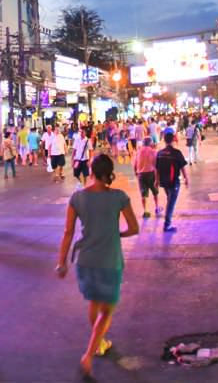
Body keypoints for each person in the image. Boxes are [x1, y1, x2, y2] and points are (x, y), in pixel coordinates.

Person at [55, 154, 138, 376]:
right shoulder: (119, 197)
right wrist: (117, 233)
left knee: (94, 304)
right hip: (109, 260)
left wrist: (61, 262)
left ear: (91, 171)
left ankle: (99, 343)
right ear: (109, 172)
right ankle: (90, 353)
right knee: (107, 310)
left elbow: (68, 232)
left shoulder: (77, 198)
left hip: (85, 261)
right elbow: (134, 228)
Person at [155, 131, 189, 232]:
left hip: (164, 182)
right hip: (174, 182)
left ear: (164, 140)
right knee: (171, 203)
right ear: (173, 140)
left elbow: (157, 168)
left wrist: (156, 181)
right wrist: (186, 179)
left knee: (169, 200)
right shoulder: (176, 153)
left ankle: (168, 222)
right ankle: (167, 224)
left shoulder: (160, 153)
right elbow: (182, 167)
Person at [134, 134, 160, 218]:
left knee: (143, 194)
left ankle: (145, 211)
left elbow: (135, 164)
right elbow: (156, 165)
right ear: (150, 143)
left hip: (141, 175)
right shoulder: (153, 151)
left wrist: (136, 173)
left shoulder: (138, 151)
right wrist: (157, 178)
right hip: (151, 174)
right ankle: (156, 207)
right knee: (155, 192)